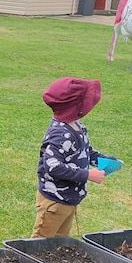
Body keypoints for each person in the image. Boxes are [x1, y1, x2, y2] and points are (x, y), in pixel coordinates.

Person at [31, 77, 112, 238]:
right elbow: (53, 166)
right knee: (40, 243)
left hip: (69, 200)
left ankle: (53, 262)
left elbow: (85, 151)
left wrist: (104, 161)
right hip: (54, 202)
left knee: (60, 242)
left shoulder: (78, 126)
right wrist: (87, 175)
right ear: (76, 107)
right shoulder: (60, 134)